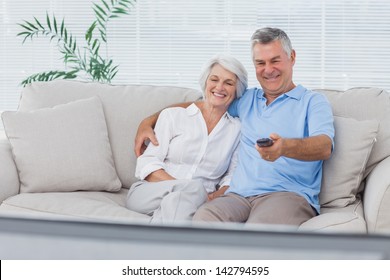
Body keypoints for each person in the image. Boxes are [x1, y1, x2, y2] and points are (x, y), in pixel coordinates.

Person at [134, 27, 335, 228]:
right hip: (238, 196)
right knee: (203, 219)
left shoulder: (312, 102)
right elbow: (206, 103)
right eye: (260, 63)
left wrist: (285, 147)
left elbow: (324, 146)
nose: (268, 69)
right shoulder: (247, 99)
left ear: (292, 57)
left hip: (286, 195)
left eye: (275, 60)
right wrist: (149, 121)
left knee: (258, 231)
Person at [126, 54, 248, 224]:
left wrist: (213, 197)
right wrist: (189, 189)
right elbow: (148, 162)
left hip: (197, 202)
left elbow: (232, 176)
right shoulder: (174, 116)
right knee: (193, 188)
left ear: (237, 90)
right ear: (205, 82)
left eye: (228, 83)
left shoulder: (237, 130)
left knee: (176, 203)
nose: (220, 87)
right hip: (149, 193)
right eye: (214, 79)